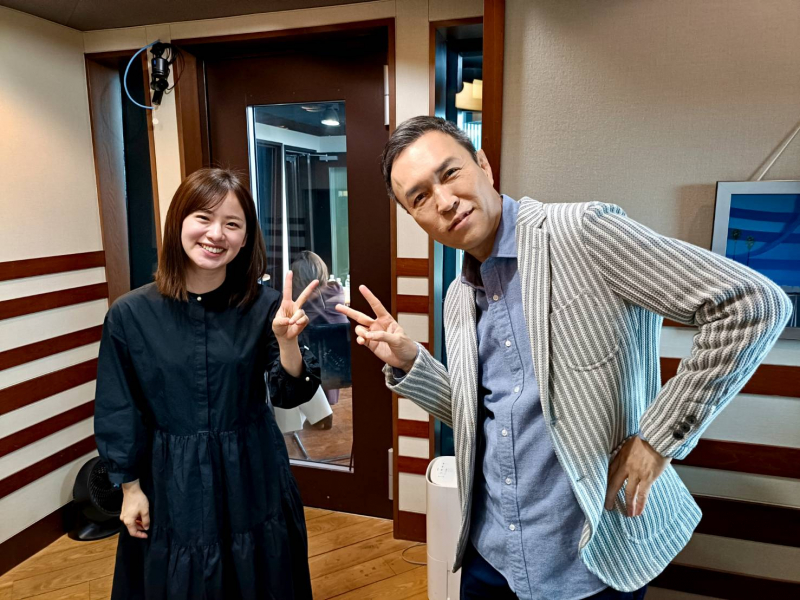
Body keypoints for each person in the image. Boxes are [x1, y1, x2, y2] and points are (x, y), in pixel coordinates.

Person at [337, 117, 792, 600]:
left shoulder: (582, 233)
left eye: (450, 173)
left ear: (484, 165)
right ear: (415, 218)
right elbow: (487, 416)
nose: (444, 201)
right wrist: (412, 361)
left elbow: (753, 304)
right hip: (491, 554)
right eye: (420, 198)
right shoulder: (458, 297)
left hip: (590, 557)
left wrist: (658, 439)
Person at [94, 168, 321, 600]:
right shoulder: (130, 314)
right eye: (203, 218)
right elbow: (118, 408)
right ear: (178, 222)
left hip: (251, 471)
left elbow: (292, 391)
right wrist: (129, 488)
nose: (216, 234)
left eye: (232, 224)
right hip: (171, 480)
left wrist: (287, 343)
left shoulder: (266, 306)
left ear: (245, 237)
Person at [291, 250, 349, 426]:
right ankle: (324, 410)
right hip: (340, 364)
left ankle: (317, 412)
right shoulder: (337, 289)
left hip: (313, 367)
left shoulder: (296, 300)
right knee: (325, 346)